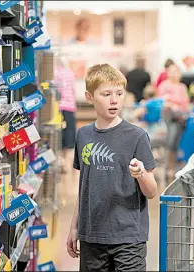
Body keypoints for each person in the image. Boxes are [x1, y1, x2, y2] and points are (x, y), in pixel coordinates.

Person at [66, 64, 158, 271]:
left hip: (128, 238)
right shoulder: (83, 135)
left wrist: (141, 174)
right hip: (91, 238)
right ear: (90, 97)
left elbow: (152, 192)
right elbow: (84, 188)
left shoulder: (137, 137)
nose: (114, 100)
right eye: (106, 94)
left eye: (119, 93)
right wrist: (75, 227)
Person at [157, 64, 190, 181]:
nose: (174, 74)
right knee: (171, 140)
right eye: (172, 71)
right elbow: (162, 101)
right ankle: (169, 167)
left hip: (180, 119)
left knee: (174, 141)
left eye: (176, 71)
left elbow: (185, 103)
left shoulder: (182, 87)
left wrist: (177, 106)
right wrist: (173, 106)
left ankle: (171, 166)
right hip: (168, 118)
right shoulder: (164, 85)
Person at [54, 56, 77, 193]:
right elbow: (73, 91)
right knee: (69, 138)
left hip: (57, 108)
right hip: (70, 108)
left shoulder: (55, 73)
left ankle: (60, 162)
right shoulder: (70, 74)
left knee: (58, 135)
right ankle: (67, 164)